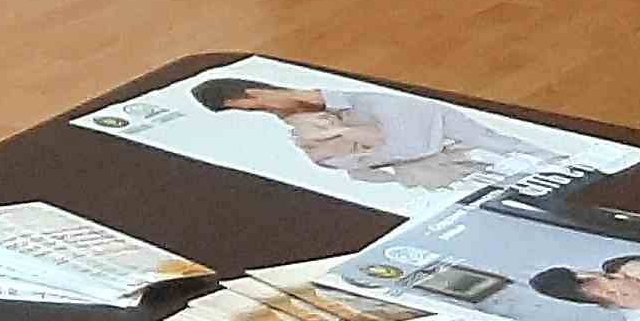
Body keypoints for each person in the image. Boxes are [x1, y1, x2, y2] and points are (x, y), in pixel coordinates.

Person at [188, 75, 554, 194]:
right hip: (398, 149)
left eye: (248, 105)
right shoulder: (298, 121)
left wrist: (341, 135)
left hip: (414, 129)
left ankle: (556, 164)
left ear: (251, 94)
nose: (256, 110)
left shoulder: (309, 101)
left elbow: (399, 140)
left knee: (496, 147)